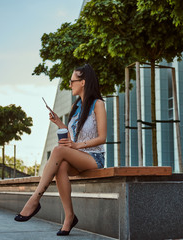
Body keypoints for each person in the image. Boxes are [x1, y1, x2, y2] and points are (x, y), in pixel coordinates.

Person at [14, 64, 107, 236]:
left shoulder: (98, 104)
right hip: (79, 156)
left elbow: (102, 138)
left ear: (83, 82)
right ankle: (69, 217)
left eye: (73, 81)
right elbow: (72, 137)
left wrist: (76, 146)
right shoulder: (76, 107)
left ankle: (35, 200)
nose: (70, 84)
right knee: (61, 167)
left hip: (94, 157)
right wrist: (58, 123)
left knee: (58, 151)